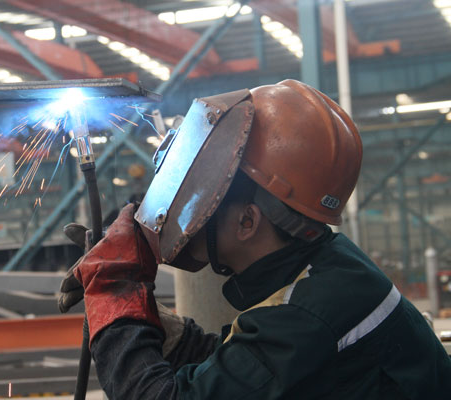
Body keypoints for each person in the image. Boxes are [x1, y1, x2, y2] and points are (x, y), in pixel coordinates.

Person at [59, 80, 451, 399]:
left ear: (247, 220)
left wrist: (114, 295)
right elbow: (239, 369)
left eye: (203, 194)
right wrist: (146, 318)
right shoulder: (327, 269)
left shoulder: (305, 314)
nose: (186, 207)